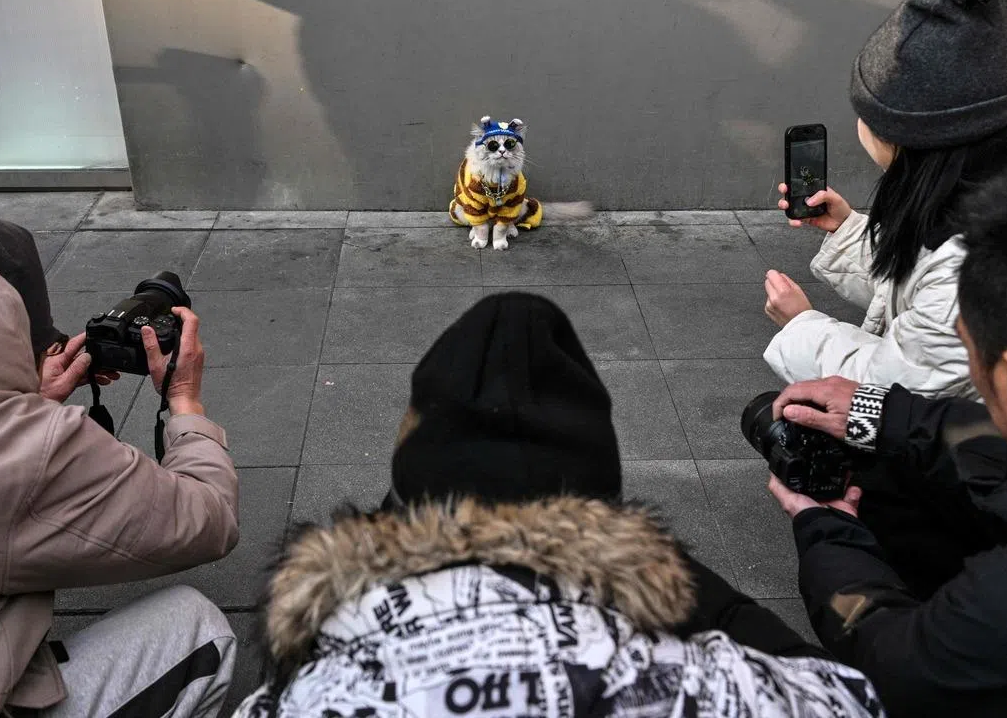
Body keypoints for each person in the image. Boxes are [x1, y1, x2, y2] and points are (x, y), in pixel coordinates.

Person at [234, 293, 885, 718]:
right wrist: (673, 578)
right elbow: (847, 702)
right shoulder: (703, 682)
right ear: (598, 503)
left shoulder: (304, 696)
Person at [765, 154, 1007, 716]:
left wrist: (828, 530)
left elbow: (887, 653)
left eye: (968, 353)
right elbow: (988, 444)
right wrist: (878, 414)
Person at [0, 209, 240, 718]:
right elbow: (208, 519)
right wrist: (184, 400)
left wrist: (35, 398)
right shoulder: (27, 449)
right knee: (198, 626)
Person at [762, 0, 1007, 400]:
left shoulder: (977, 261)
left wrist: (802, 325)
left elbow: (895, 388)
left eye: (868, 116)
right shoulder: (984, 192)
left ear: (906, 138)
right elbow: (919, 289)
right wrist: (847, 232)